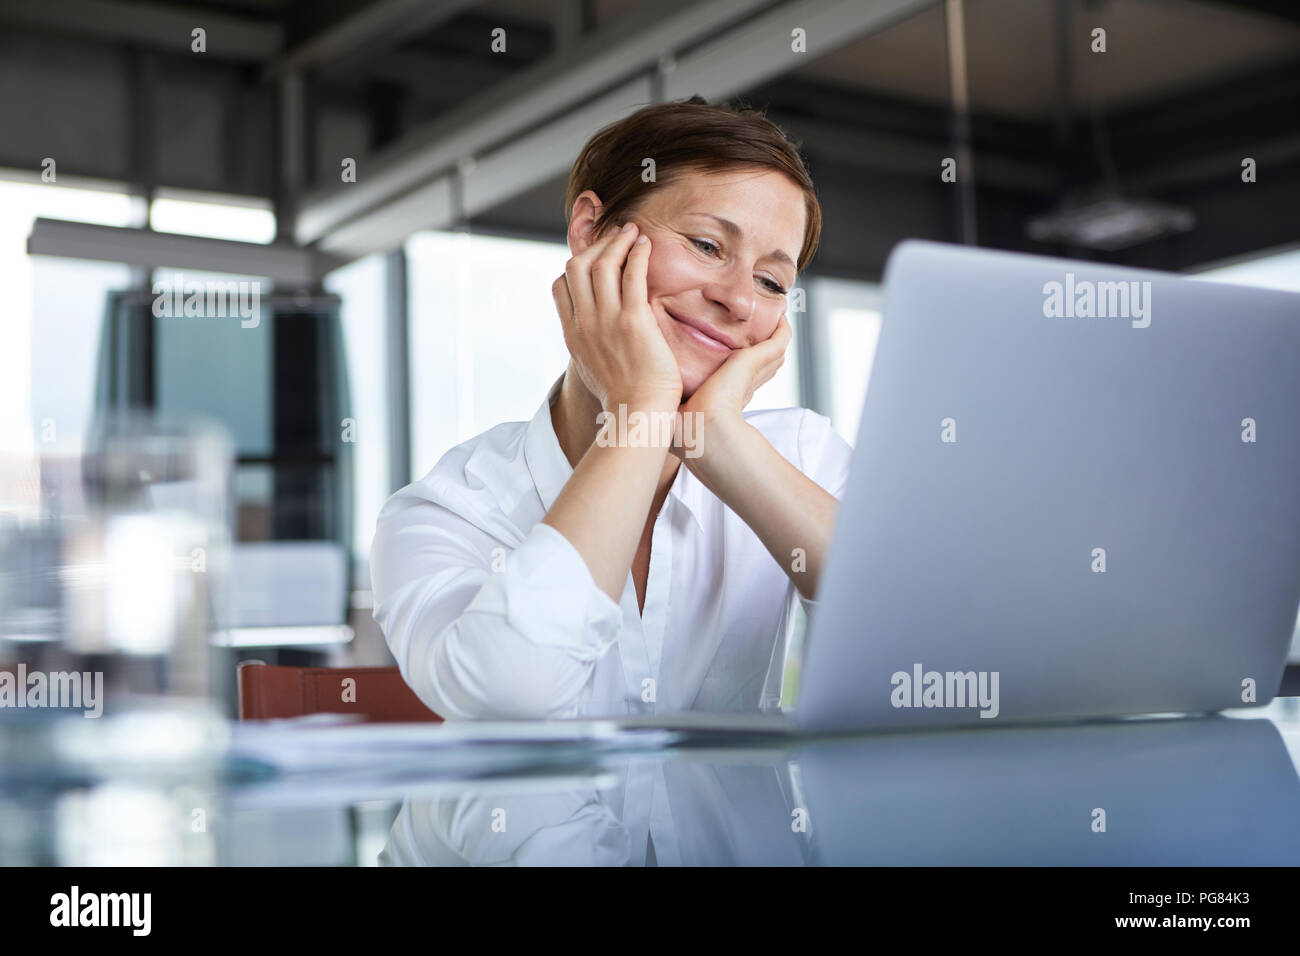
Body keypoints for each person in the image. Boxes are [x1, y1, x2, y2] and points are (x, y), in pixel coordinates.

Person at [371, 95, 853, 720]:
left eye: (771, 282)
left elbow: (926, 651)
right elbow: (511, 695)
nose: (738, 300)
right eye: (707, 245)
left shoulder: (803, 457)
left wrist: (720, 440)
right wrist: (642, 409)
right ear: (590, 231)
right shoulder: (450, 511)